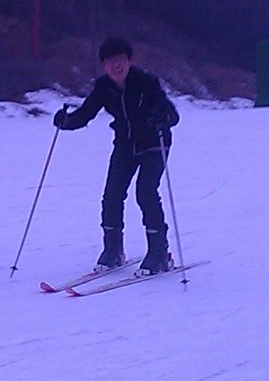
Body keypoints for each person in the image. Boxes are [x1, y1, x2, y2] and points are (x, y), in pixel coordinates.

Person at [52, 37, 180, 276]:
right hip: (125, 144)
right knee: (112, 194)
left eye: (121, 60)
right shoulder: (103, 87)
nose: (116, 66)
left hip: (154, 142)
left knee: (146, 192)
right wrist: (66, 122)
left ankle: (159, 253)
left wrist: (162, 117)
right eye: (111, 61)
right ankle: (113, 250)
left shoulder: (147, 82)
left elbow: (172, 115)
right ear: (103, 65)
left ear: (129, 61)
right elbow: (85, 114)